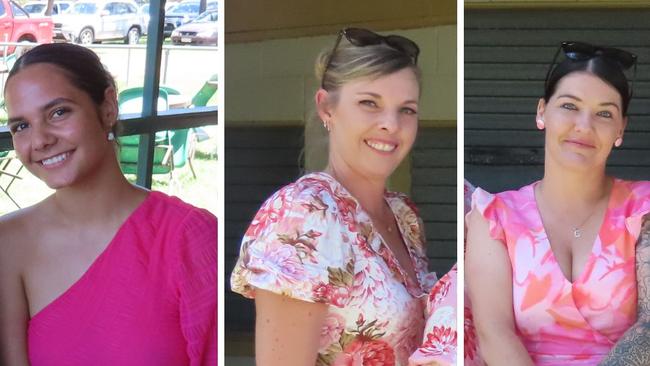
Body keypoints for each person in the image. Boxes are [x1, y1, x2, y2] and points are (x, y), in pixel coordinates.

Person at [230, 27, 438, 365]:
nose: (391, 123)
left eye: (407, 109)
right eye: (369, 103)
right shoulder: (303, 214)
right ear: (327, 108)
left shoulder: (403, 215)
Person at [0, 43, 216, 365]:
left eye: (58, 112)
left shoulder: (188, 236)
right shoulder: (9, 243)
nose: (40, 140)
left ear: (108, 108)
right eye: (22, 126)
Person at [466, 41, 650, 365]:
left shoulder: (643, 208)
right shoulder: (496, 217)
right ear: (542, 112)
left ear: (621, 128)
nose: (584, 125)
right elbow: (494, 333)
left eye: (604, 113)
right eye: (569, 106)